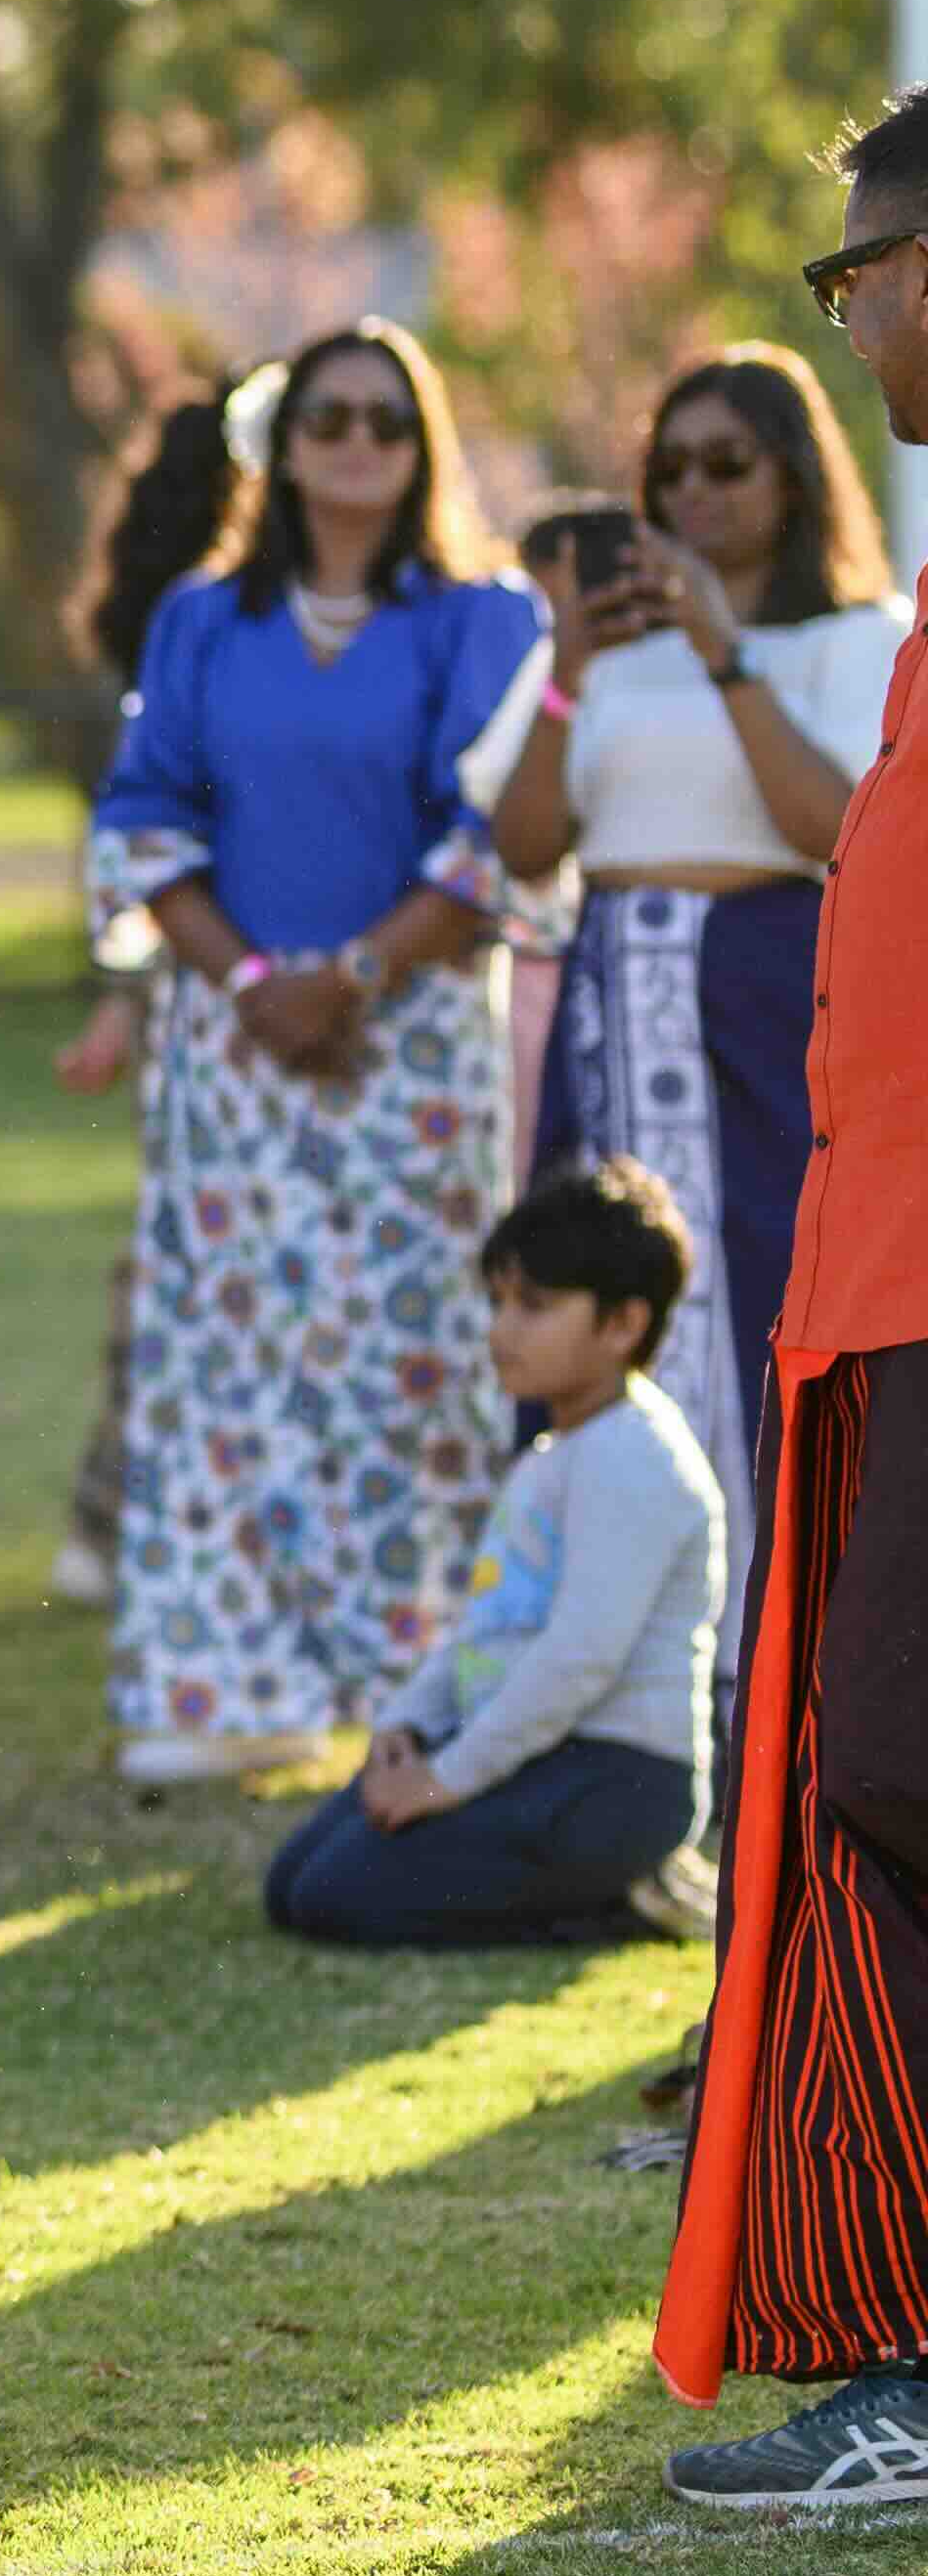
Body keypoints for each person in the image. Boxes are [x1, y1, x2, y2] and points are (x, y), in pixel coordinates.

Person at [80, 317, 545, 1783]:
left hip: (404, 1047)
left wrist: (353, 979)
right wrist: (256, 986)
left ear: (423, 450)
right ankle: (230, 1687)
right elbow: (145, 813)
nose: (357, 445)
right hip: (236, 1047)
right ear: (279, 446)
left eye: (387, 424)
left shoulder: (480, 620)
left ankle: (418, 1687)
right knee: (233, 1361)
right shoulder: (203, 622)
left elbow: (499, 833)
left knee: (417, 1364)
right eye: (330, 419)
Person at [658, 89, 928, 2499]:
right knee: (875, 1763)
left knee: (898, 1759)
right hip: (880, 1266)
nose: (860, 319)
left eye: (870, 275)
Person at [470, 342, 902, 1702]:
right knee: (607, 1298)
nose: (696, 494)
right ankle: (611, 1660)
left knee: (769, 1292)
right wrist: (564, 672)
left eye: (730, 464)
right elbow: (524, 844)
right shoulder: (602, 657)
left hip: (768, 1007)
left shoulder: (861, 638)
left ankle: (779, 1654)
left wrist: (726, 656)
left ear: (796, 473)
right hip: (616, 1006)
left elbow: (841, 831)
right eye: (671, 471)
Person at [264, 1159, 723, 1948]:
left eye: (534, 1307)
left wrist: (447, 1779)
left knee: (340, 1894)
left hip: (617, 1779)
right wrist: (408, 1726)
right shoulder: (553, 1452)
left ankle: (630, 1894)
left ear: (623, 1324)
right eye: (499, 1302)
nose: (500, 1330)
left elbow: (579, 1660)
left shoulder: (635, 1458)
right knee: (294, 1882)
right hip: (531, 1746)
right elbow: (489, 1626)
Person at [49, 394, 266, 1607]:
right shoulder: (214, 627)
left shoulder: (169, 625)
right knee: (187, 1251)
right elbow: (153, 825)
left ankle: (116, 1514)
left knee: (175, 1248)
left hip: (196, 966)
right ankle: (124, 1511)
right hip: (224, 965)